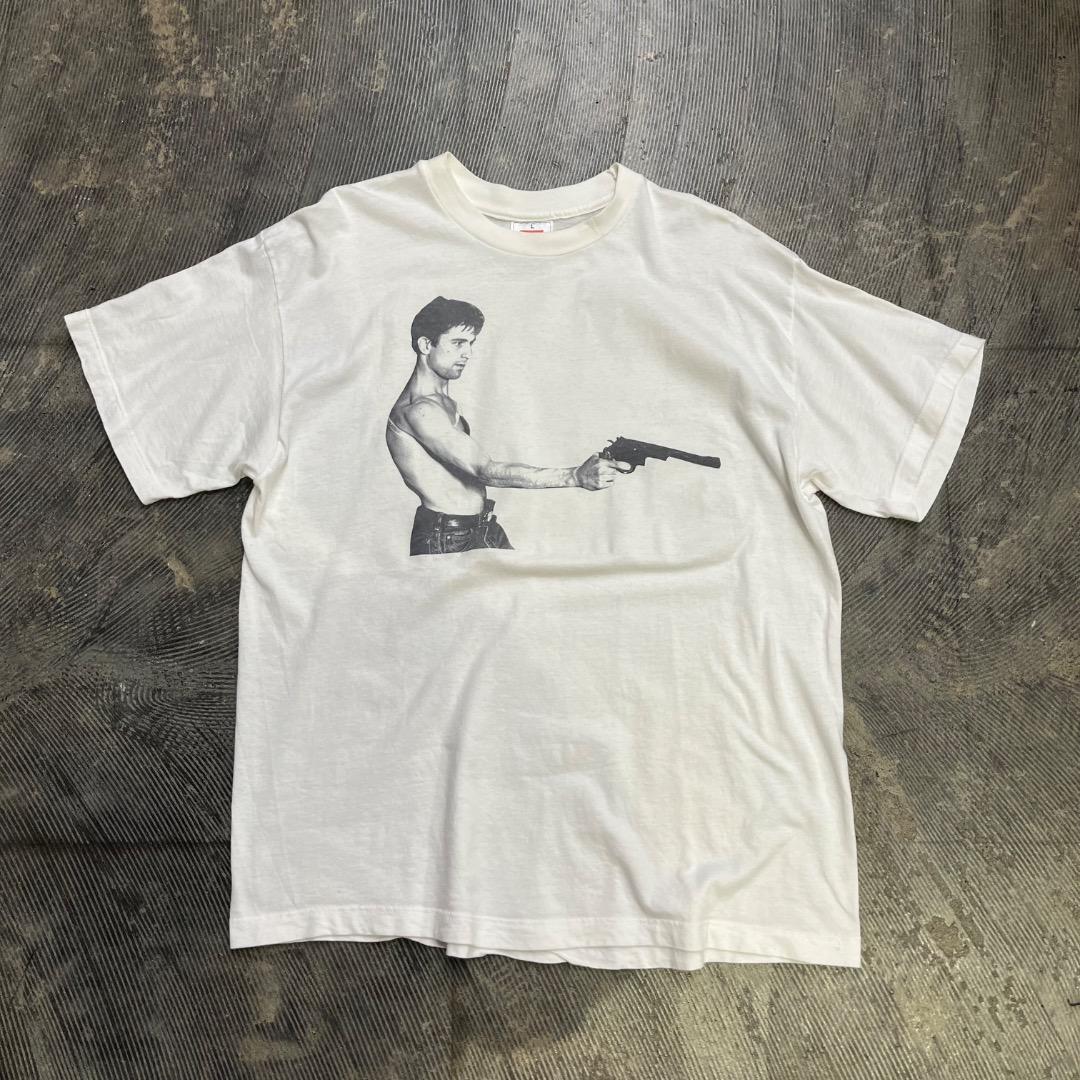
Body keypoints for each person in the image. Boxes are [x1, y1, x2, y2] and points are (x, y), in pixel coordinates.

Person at [386, 296, 632, 555]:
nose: (468, 353)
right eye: (458, 343)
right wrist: (575, 476)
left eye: (471, 343)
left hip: (478, 527)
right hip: (447, 536)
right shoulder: (420, 410)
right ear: (426, 345)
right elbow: (485, 471)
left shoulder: (441, 401)